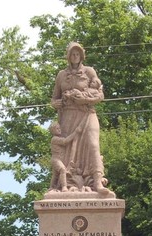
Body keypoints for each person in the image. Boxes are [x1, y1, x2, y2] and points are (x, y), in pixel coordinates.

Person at [50, 42, 114, 197]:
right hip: (68, 117)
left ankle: (97, 182)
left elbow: (100, 94)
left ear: (82, 55)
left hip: (87, 113)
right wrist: (56, 103)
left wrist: (83, 98)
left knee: (93, 145)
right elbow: (54, 99)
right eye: (72, 54)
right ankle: (67, 184)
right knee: (68, 152)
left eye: (77, 54)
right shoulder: (61, 75)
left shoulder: (89, 71)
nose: (75, 56)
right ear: (68, 56)